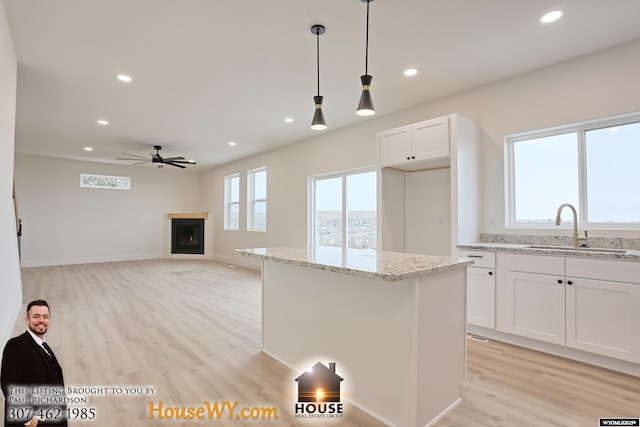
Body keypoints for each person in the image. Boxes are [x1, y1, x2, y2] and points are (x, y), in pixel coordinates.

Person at [1, 300, 67, 427]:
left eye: (45, 317)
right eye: (36, 316)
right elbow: (8, 385)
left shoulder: (45, 347)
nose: (41, 320)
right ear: (27, 320)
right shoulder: (16, 345)